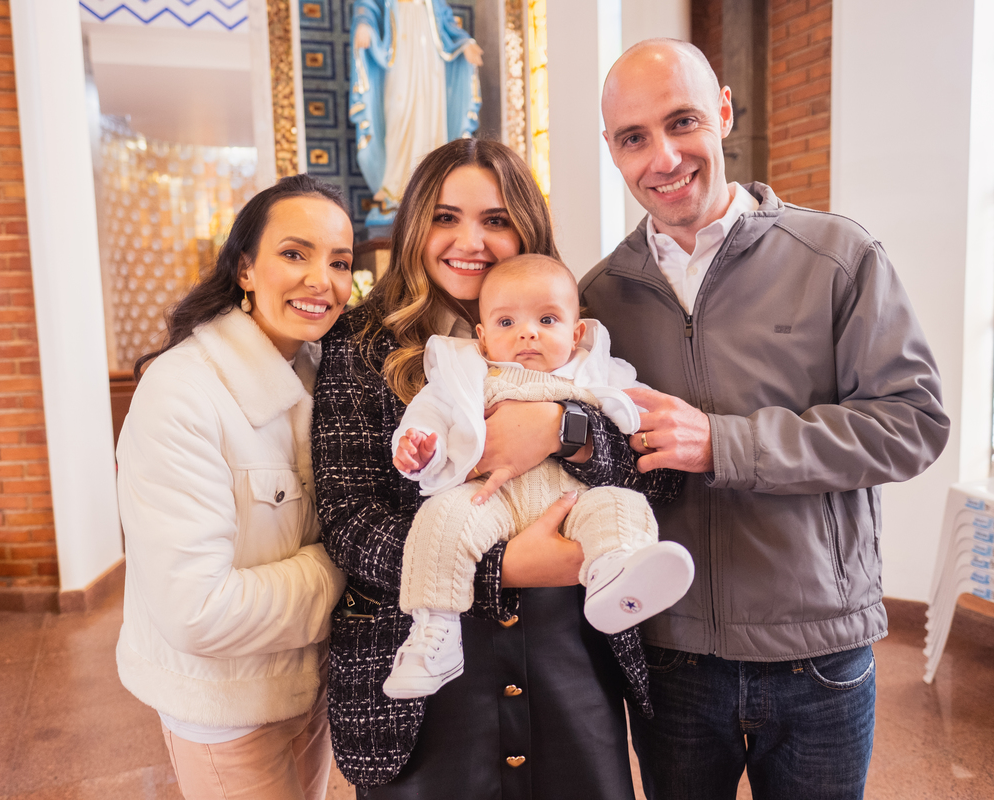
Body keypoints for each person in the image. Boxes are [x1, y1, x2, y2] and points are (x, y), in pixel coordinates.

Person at [581, 39, 951, 800]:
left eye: (681, 122)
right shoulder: (599, 298)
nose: (664, 157)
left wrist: (726, 443)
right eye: (633, 138)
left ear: (722, 112)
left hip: (819, 655)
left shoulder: (839, 256)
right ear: (613, 151)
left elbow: (913, 422)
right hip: (670, 652)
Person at [312, 137, 682, 798]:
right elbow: (350, 522)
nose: (470, 241)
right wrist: (503, 569)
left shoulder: (573, 331)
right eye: (446, 217)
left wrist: (562, 429)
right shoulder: (363, 342)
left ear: (526, 229)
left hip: (566, 650)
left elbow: (658, 472)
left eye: (496, 219)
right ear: (415, 226)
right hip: (424, 661)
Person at [114, 175, 352, 800]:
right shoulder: (182, 392)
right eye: (294, 253)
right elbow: (196, 610)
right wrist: (350, 567)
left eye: (340, 262)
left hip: (311, 685)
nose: (320, 280)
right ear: (245, 268)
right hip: (227, 709)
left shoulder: (326, 370)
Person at [383, 254, 694, 699]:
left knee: (622, 505)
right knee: (440, 520)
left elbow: (640, 420)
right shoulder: (466, 373)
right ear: (483, 336)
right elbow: (428, 417)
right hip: (491, 496)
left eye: (547, 319)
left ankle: (613, 569)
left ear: (576, 331)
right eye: (506, 322)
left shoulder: (597, 370)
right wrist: (418, 448)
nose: (527, 332)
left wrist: (626, 419)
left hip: (574, 501)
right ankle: (435, 631)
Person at [350, 0, 483, 222]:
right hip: (399, 58)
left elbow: (447, 23)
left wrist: (465, 42)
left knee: (431, 120)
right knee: (399, 115)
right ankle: (394, 188)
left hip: (431, 62)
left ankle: (433, 188)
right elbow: (367, 7)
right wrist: (364, 25)